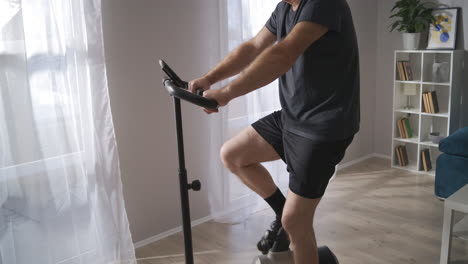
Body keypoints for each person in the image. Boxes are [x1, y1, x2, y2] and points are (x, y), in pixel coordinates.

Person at [189, 0, 359, 263]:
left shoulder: (323, 4)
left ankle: (287, 220)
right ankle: (281, 213)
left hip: (322, 128)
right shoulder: (284, 8)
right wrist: (210, 78)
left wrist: (226, 94)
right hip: (292, 117)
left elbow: (284, 54)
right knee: (233, 155)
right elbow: (253, 48)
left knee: (297, 222)